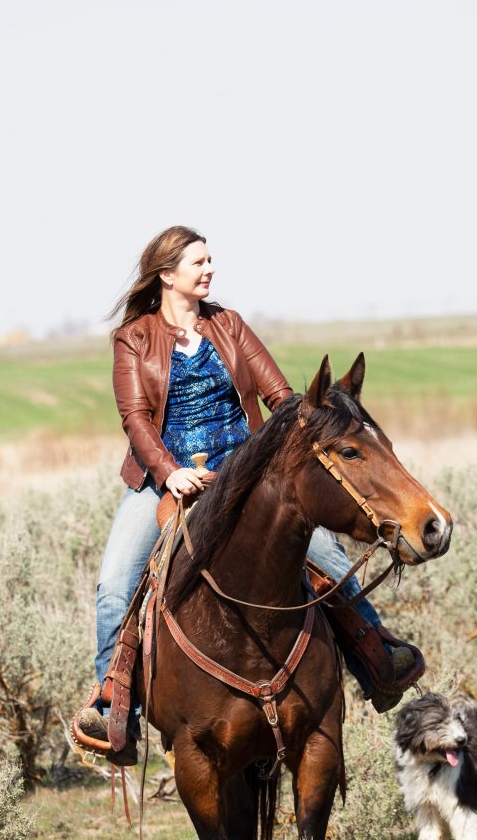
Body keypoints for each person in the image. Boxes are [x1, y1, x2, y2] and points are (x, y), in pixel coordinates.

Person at [77, 226, 420, 763]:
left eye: (210, 259)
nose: (209, 269)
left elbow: (281, 397)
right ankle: (113, 705)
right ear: (168, 275)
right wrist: (168, 472)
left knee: (326, 556)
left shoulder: (230, 326)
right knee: (116, 584)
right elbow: (135, 418)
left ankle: (378, 655)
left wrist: (311, 426)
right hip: (168, 481)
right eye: (198, 261)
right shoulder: (135, 338)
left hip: (247, 475)